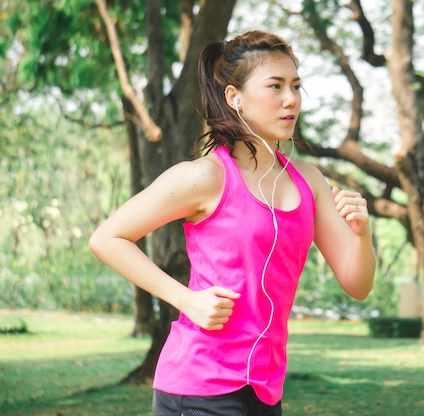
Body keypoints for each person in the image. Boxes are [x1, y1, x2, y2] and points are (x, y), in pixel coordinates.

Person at [89, 30, 376, 416]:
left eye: (296, 86)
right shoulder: (205, 176)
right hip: (199, 387)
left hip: (264, 390)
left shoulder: (309, 181)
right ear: (234, 97)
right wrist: (185, 300)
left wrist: (362, 236)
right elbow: (107, 238)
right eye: (275, 86)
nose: (291, 99)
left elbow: (357, 284)